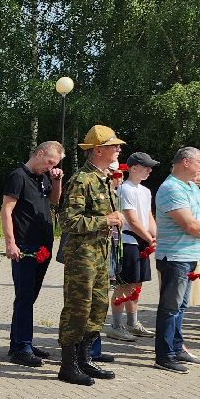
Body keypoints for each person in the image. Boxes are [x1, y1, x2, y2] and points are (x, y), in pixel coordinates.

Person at [57, 126, 124, 385]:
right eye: (113, 145)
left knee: (98, 306)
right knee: (78, 307)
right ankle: (68, 365)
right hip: (82, 255)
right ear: (98, 150)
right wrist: (105, 220)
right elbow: (69, 221)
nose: (118, 149)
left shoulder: (104, 179)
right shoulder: (81, 180)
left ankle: (85, 359)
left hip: (100, 252)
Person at [149, 147, 200, 373]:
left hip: (188, 255)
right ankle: (164, 355)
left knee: (180, 306)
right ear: (185, 162)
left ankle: (177, 347)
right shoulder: (170, 188)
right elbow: (188, 224)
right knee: (170, 306)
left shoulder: (190, 186)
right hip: (175, 256)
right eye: (199, 162)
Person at [0, 141, 65, 367]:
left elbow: (55, 201)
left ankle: (20, 341)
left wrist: (57, 180)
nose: (50, 167)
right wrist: (10, 243)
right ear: (39, 154)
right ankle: (21, 348)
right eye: (49, 162)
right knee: (25, 296)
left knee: (31, 297)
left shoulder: (44, 177)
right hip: (24, 246)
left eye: (54, 164)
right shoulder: (18, 176)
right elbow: (6, 210)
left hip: (43, 244)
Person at [110, 152, 158, 341]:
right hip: (129, 241)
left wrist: (155, 236)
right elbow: (132, 218)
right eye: (145, 166)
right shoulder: (125, 189)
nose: (149, 170)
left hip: (143, 242)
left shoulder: (145, 191)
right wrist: (148, 237)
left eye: (150, 167)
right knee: (124, 284)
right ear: (133, 167)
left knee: (137, 283)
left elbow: (148, 216)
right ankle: (115, 325)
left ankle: (133, 322)